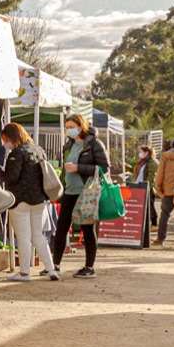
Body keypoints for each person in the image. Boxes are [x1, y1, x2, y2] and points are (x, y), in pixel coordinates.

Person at [0, 121, 57, 280]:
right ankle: (51, 270)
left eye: (5, 140)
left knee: (23, 237)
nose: (4, 144)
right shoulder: (38, 150)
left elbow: (12, 178)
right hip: (40, 201)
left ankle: (24, 273)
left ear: (12, 137)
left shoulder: (16, 154)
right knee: (38, 236)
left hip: (20, 202)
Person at [51, 114, 108, 278]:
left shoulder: (94, 144)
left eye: (72, 127)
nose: (69, 130)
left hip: (86, 192)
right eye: (67, 127)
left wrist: (78, 168)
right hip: (69, 191)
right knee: (61, 228)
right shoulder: (68, 145)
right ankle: (55, 265)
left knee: (87, 229)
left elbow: (104, 168)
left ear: (81, 126)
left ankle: (89, 267)